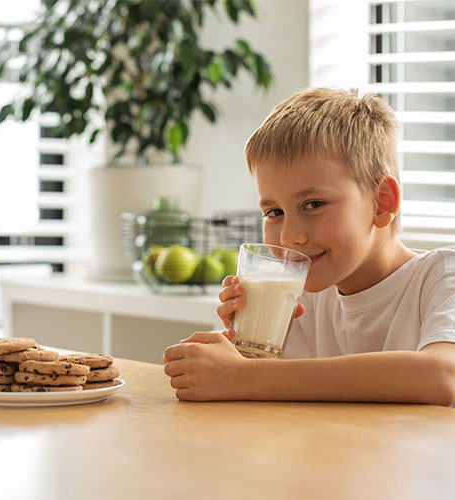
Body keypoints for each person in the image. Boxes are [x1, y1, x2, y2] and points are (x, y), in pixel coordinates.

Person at [163, 87, 455, 406]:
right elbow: (288, 403)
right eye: (274, 212)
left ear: (382, 202)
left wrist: (244, 376)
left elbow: (442, 376)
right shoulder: (304, 299)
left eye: (313, 204)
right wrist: (245, 350)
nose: (290, 237)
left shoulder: (441, 276)